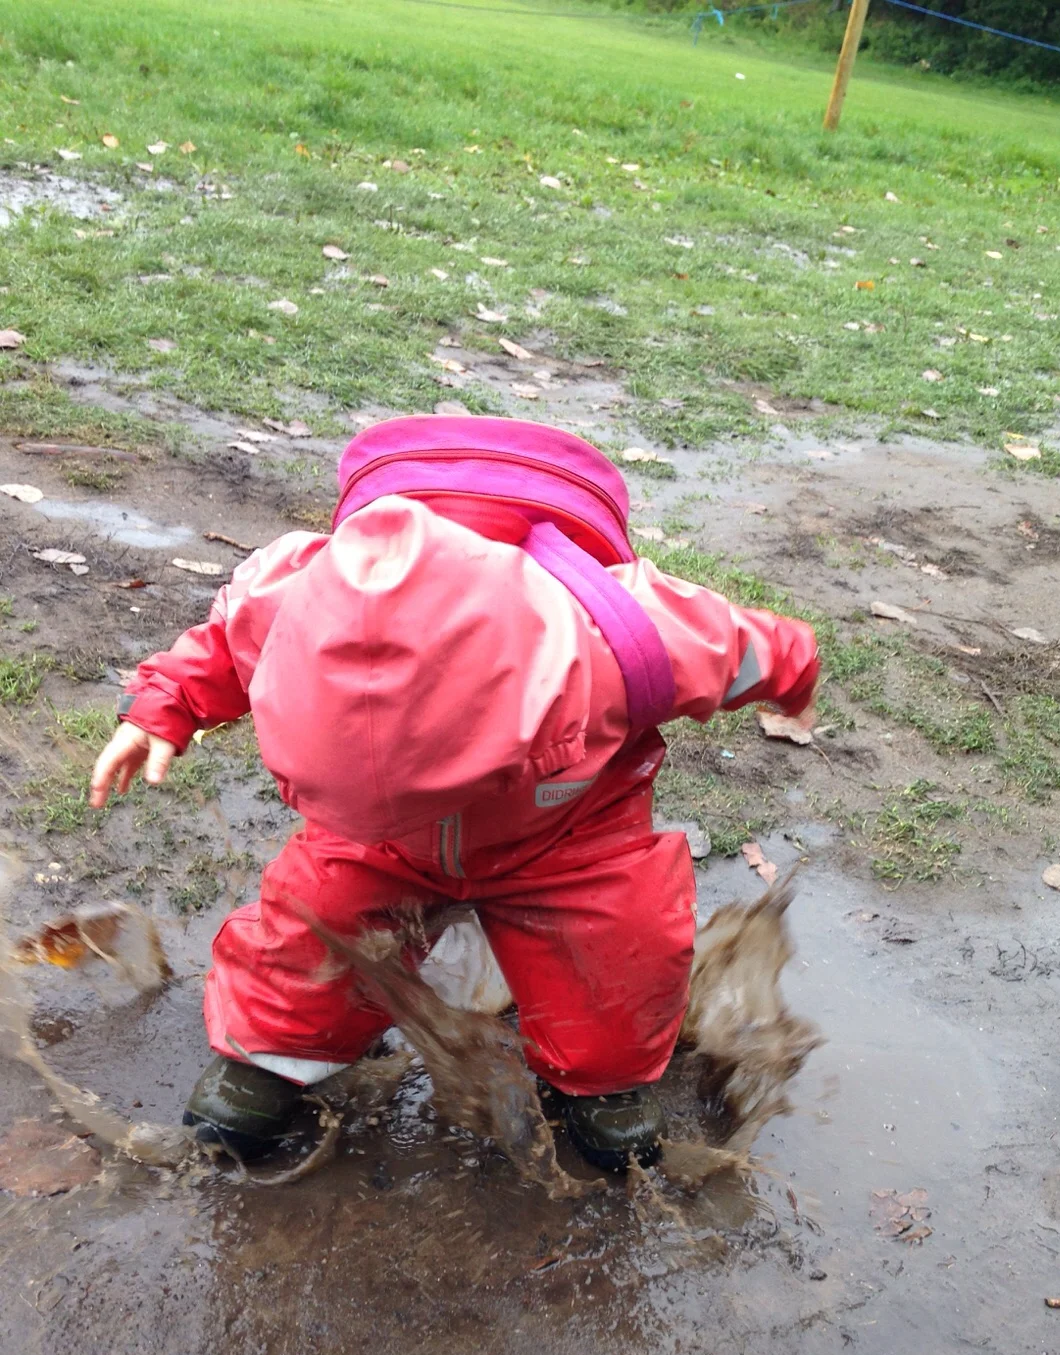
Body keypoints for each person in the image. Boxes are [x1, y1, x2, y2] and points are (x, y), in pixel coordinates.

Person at [89, 416, 819, 1170]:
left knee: (618, 961)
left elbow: (738, 643)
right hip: (376, 846)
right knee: (309, 934)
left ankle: (605, 1084)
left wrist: (793, 672)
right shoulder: (289, 597)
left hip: (571, 841)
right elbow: (220, 644)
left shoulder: (615, 629)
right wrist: (163, 707)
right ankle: (272, 1056)